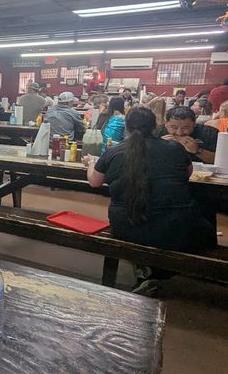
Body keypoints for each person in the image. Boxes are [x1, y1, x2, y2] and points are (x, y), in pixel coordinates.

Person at [86, 106, 216, 295]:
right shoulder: (174, 149)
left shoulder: (115, 151)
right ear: (156, 126)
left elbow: (94, 182)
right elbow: (187, 175)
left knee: (149, 227)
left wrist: (91, 163)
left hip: (125, 227)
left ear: (127, 127)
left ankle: (149, 272)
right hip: (175, 229)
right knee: (204, 225)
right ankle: (157, 273)